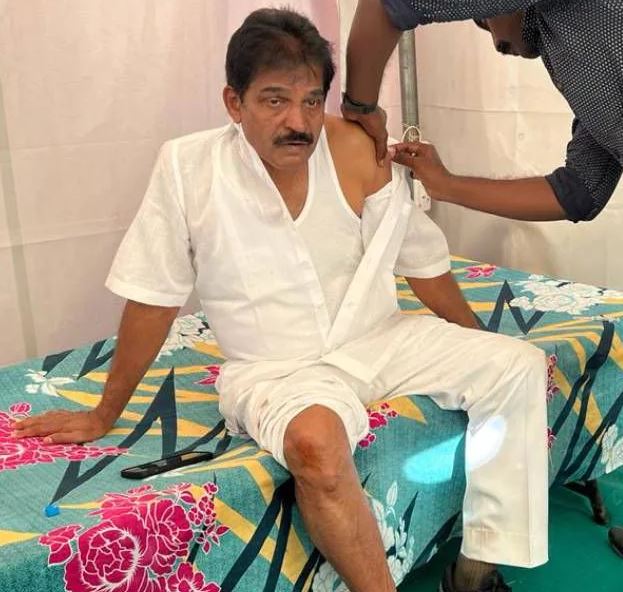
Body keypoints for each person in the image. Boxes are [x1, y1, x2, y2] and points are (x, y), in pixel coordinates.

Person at [12, 9, 548, 592]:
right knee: (314, 445)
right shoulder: (188, 167)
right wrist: (104, 413)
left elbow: (421, 261)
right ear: (233, 102)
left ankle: (475, 570)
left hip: (379, 338)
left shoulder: (356, 149)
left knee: (516, 365)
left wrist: (475, 340)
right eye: (274, 101)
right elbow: (153, 298)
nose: (298, 122)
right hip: (277, 368)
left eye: (312, 101)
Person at [343, 1, 623, 223]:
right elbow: (580, 192)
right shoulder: (578, 53)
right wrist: (445, 185)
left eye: (482, 16)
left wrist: (360, 108)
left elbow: (386, 5)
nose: (494, 41)